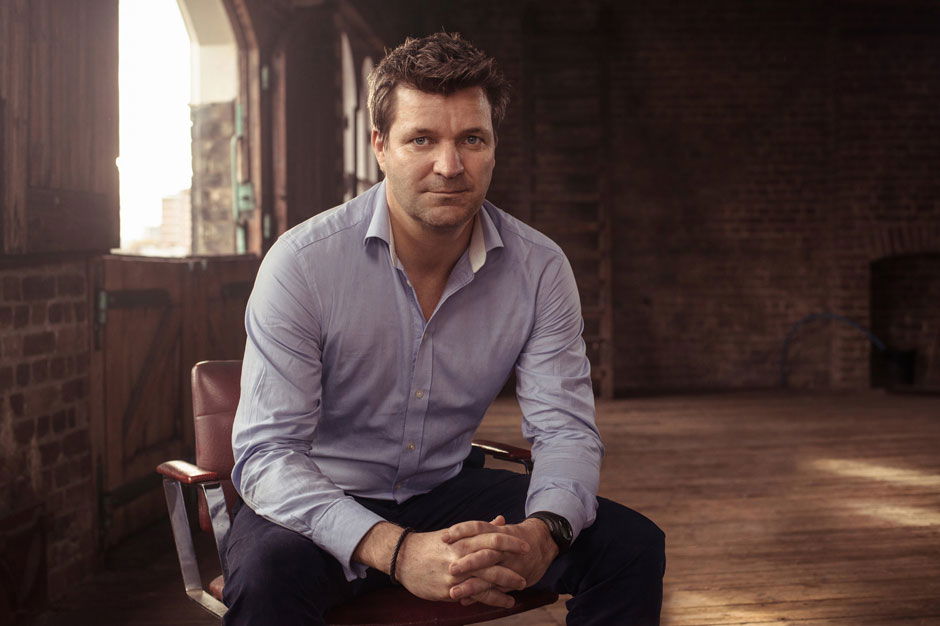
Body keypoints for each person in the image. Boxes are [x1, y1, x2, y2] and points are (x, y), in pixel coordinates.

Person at [223, 32, 665, 625]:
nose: (450, 166)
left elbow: (564, 429)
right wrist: (397, 551)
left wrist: (545, 532)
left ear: (493, 146)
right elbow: (266, 454)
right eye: (422, 139)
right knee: (266, 577)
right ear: (381, 146)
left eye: (471, 139)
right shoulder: (302, 263)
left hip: (444, 491)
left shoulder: (539, 268)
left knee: (631, 548)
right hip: (321, 496)